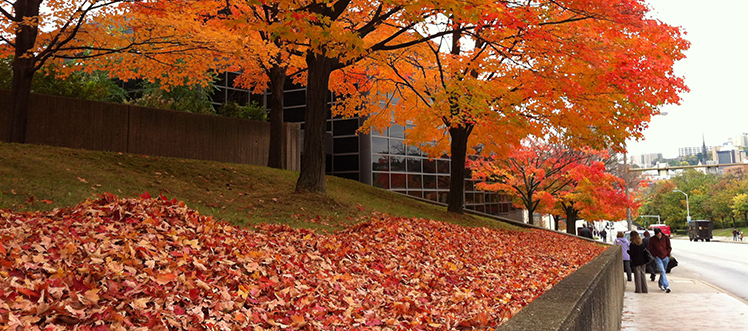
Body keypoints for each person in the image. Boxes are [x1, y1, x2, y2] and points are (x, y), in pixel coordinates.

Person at [649, 228, 672, 293]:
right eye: (657, 235)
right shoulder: (652, 239)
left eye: (659, 234)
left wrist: (667, 254)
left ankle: (660, 283)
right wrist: (655, 255)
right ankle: (666, 286)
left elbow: (669, 246)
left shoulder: (666, 238)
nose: (659, 236)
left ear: (661, 233)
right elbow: (650, 248)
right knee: (662, 270)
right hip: (657, 257)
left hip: (665, 256)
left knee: (663, 271)